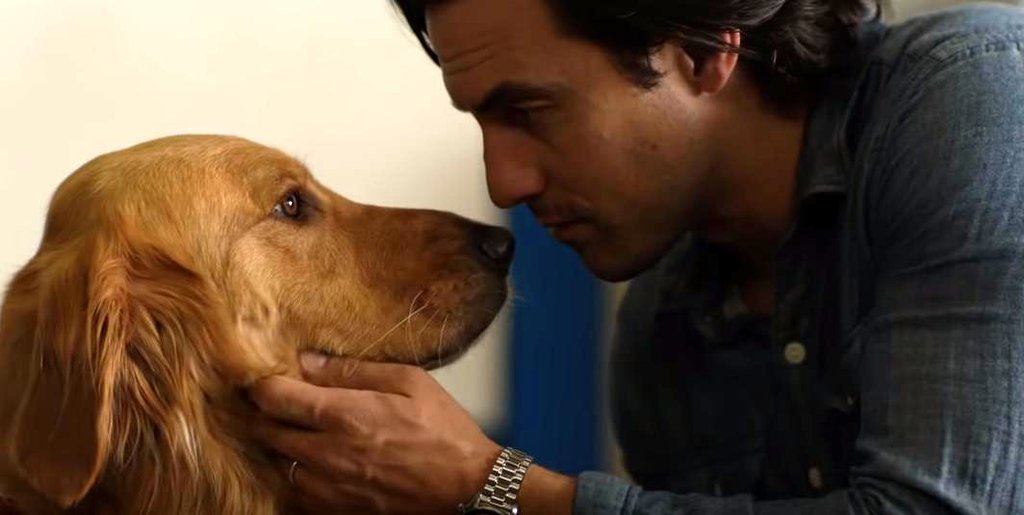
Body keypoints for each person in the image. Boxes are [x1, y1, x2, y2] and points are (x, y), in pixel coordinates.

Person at [247, 0, 1024, 512]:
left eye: (530, 109)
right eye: (482, 121)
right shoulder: (663, 332)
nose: (503, 181)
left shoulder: (972, 104)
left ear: (704, 47)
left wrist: (492, 484)